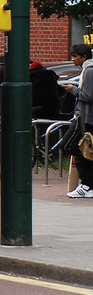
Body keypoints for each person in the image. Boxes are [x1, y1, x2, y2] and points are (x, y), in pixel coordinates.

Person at [62, 43, 93, 198]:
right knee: (83, 149)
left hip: (85, 117)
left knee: (74, 147)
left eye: (75, 56)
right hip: (83, 116)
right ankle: (87, 184)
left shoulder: (89, 71)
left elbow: (87, 95)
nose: (73, 59)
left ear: (84, 57)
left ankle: (87, 185)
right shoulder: (86, 70)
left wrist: (73, 90)